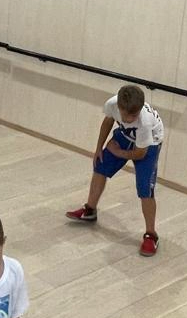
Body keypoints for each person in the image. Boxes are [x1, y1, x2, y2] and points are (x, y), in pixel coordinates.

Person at [66, 83, 165, 256]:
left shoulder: (145, 122)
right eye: (126, 115)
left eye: (134, 115)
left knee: (145, 189)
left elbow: (140, 153)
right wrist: (99, 148)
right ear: (119, 107)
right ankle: (90, 210)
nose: (129, 119)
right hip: (126, 135)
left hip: (149, 144)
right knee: (101, 165)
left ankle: (151, 235)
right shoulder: (112, 104)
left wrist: (118, 152)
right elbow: (108, 121)